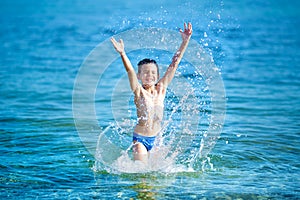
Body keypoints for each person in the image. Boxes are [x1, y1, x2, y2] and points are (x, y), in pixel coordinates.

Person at [110, 22, 192, 163]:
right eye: (145, 73)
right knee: (141, 173)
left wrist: (185, 41)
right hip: (140, 140)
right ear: (139, 76)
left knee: (155, 174)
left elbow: (174, 64)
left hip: (157, 139)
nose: (149, 75)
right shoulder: (139, 92)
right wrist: (123, 53)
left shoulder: (161, 89)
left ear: (158, 74)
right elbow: (130, 71)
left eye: (153, 72)